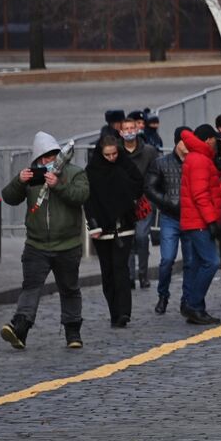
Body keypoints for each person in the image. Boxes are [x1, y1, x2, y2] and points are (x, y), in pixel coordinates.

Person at [0, 133, 90, 350]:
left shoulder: (74, 173)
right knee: (30, 287)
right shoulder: (32, 176)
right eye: (42, 158)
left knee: (69, 289)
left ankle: (73, 332)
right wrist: (19, 181)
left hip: (68, 245)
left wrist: (58, 185)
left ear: (58, 154)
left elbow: (81, 195)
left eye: (50, 156)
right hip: (36, 245)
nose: (46, 161)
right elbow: (9, 197)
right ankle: (20, 328)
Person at [84, 135, 145, 328]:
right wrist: (93, 224)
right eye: (107, 155)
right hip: (101, 228)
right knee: (107, 271)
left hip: (124, 225)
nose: (112, 158)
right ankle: (114, 312)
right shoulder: (92, 171)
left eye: (114, 154)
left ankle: (124, 312)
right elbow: (88, 200)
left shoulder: (124, 165)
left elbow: (138, 183)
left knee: (120, 268)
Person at [179, 125, 221, 326]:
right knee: (211, 262)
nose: (216, 143)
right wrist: (211, 220)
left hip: (195, 220)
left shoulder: (198, 157)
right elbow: (200, 195)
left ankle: (194, 306)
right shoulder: (199, 160)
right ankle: (194, 305)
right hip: (199, 221)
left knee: (198, 264)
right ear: (208, 140)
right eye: (215, 139)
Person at [147, 128, 187, 315]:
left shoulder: (195, 161)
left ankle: (187, 298)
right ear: (177, 142)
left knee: (190, 261)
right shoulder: (161, 163)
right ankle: (163, 295)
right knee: (167, 259)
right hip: (169, 217)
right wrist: (167, 201)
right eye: (185, 141)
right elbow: (150, 187)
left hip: (190, 217)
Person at [119, 111, 159, 291]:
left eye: (132, 128)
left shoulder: (149, 151)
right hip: (123, 201)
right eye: (126, 129)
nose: (129, 131)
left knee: (142, 237)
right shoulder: (117, 152)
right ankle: (129, 276)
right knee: (128, 238)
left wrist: (150, 194)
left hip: (144, 200)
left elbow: (155, 174)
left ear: (137, 129)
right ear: (121, 132)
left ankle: (143, 274)